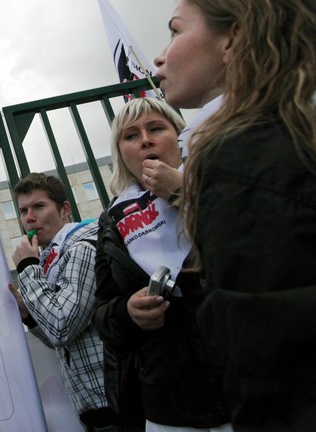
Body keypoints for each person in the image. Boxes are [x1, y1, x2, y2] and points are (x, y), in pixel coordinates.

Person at [154, 0, 316, 431]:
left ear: (235, 36)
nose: (160, 58)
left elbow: (281, 372)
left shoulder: (244, 160)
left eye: (175, 31)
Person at [93, 97, 230, 432]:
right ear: (122, 154)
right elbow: (103, 312)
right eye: (130, 136)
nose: (145, 140)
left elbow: (256, 246)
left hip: (242, 381)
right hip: (168, 401)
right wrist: (129, 312)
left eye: (156, 128)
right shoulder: (112, 220)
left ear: (180, 136)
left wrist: (185, 194)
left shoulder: (218, 178)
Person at [8, 172, 140, 431]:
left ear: (65, 209)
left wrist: (27, 266)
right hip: (94, 404)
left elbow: (62, 327)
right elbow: (59, 342)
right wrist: (28, 313)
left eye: (39, 206)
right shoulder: (51, 258)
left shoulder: (80, 246)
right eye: (23, 210)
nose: (29, 217)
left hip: (114, 400)